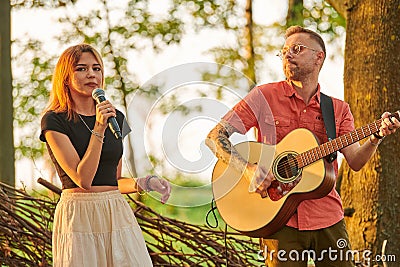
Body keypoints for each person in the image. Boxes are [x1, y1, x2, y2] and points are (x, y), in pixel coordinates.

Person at [206, 25, 399, 266]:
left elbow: (356, 161)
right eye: (284, 50)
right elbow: (214, 137)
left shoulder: (337, 109)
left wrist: (375, 137)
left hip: (327, 218)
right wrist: (247, 168)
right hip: (277, 219)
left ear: (319, 57)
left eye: (296, 49)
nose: (287, 54)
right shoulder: (263, 96)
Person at [39, 43, 171, 267]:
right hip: (79, 215)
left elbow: (114, 181)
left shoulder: (115, 117)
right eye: (81, 69)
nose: (91, 74)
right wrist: (99, 128)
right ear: (65, 78)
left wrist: (145, 182)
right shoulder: (54, 120)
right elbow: (84, 180)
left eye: (96, 68)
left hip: (115, 211)